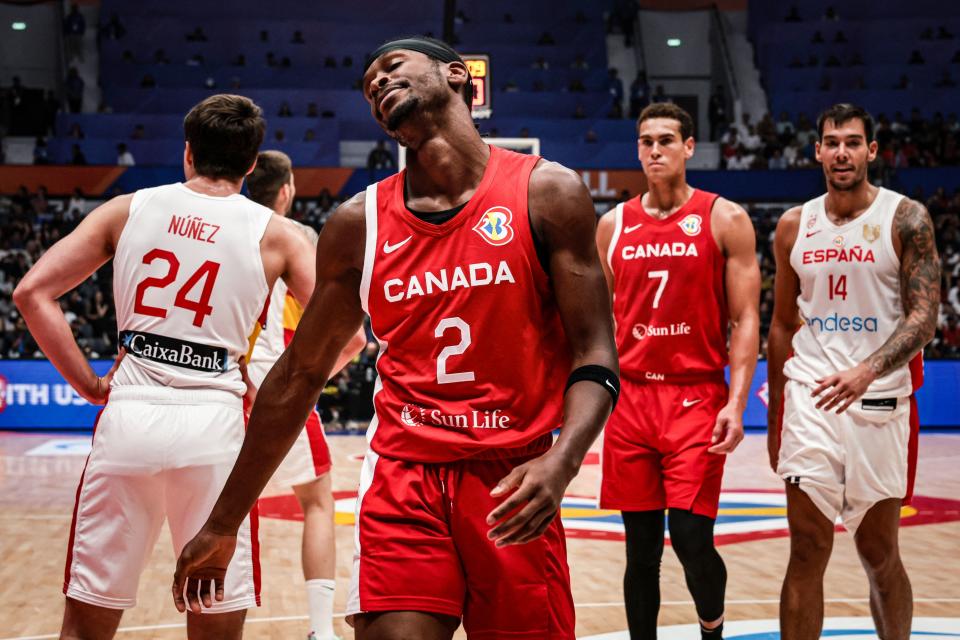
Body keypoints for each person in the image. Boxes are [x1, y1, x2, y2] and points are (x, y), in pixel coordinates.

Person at [172, 36, 619, 640]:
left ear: (457, 75)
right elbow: (300, 374)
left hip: (512, 475)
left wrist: (562, 462)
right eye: (368, 84)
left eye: (392, 67)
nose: (378, 83)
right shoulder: (359, 223)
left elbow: (595, 353)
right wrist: (224, 520)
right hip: (404, 476)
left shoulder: (548, 192)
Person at [13, 94, 320, 640]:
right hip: (215, 423)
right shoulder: (280, 235)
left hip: (129, 413)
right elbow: (337, 331)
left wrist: (88, 384)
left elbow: (32, 292)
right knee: (214, 625)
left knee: (86, 623)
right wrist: (279, 384)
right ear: (252, 164)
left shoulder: (128, 208)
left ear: (187, 153)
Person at [767, 103, 940, 640]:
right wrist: (776, 414)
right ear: (816, 151)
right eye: (831, 141)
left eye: (852, 141)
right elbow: (779, 325)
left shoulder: (906, 218)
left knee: (879, 552)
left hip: (880, 401)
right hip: (811, 398)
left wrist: (867, 369)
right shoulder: (795, 225)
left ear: (872, 150)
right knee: (808, 546)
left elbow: (924, 317)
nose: (841, 151)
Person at [596, 102, 761, 639]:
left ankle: (710, 630)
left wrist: (736, 404)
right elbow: (597, 321)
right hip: (632, 401)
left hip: (695, 400)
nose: (655, 150)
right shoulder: (612, 225)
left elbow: (745, 318)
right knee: (640, 551)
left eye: (666, 140)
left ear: (689, 147)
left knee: (691, 539)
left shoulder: (724, 218)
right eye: (646, 141)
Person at [245, 150, 364, 640]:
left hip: (209, 388)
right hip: (270, 387)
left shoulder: (210, 227)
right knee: (316, 502)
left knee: (222, 510)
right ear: (286, 191)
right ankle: (321, 631)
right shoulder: (287, 238)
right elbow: (354, 338)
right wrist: (310, 385)